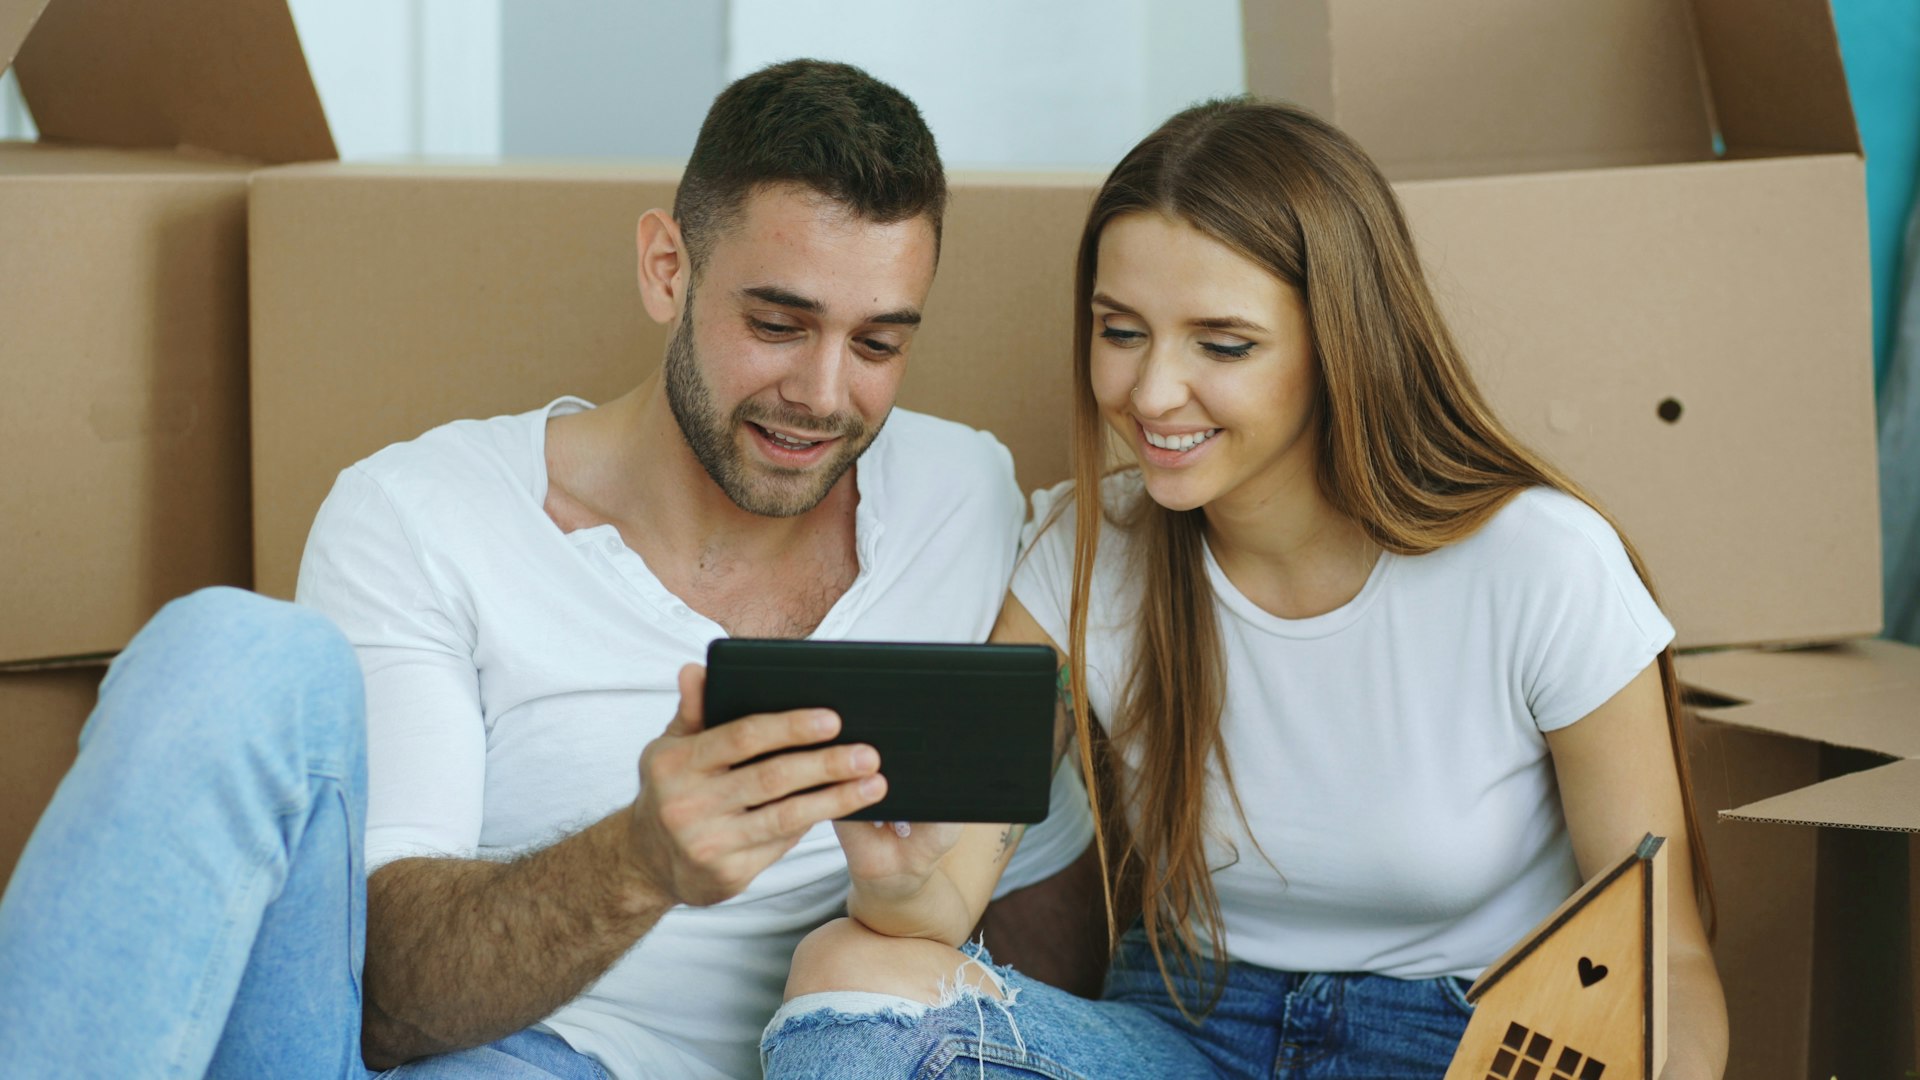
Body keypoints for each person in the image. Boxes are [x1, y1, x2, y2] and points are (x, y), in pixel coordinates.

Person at [0, 59, 1095, 1079]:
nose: (822, 393)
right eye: (777, 322)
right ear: (667, 268)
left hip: (824, 1045)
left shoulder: (967, 496)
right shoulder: (425, 515)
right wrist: (638, 862)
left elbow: (1045, 944)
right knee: (230, 649)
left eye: (878, 345)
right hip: (496, 1051)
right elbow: (382, 999)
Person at [756, 98, 1729, 1080]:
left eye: (1222, 345)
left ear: (1339, 343)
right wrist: (896, 877)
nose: (1151, 392)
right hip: (1185, 1031)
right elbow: (937, 909)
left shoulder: (1541, 566)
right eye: (1121, 331)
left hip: (1459, 1042)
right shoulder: (1086, 557)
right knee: (847, 970)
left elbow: (1668, 962)